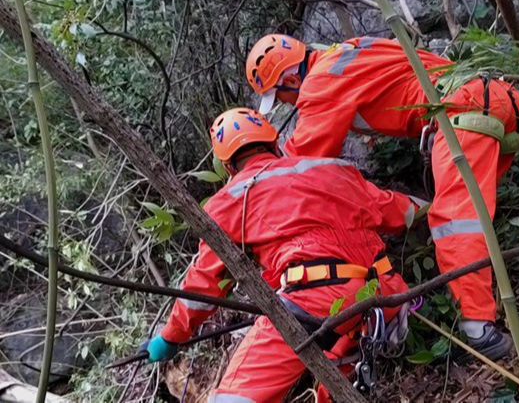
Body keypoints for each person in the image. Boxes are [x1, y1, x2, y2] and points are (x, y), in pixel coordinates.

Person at [245, 34, 519, 360]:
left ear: (292, 79)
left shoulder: (321, 81)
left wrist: (254, 191)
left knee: (456, 222)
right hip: (501, 100)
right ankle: (490, 306)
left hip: (463, 109)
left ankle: (480, 331)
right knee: (474, 219)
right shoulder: (351, 49)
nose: (288, 104)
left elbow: (301, 169)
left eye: (281, 97)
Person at [139, 108, 422, 403]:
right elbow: (400, 210)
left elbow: (204, 285)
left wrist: (170, 338)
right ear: (275, 144)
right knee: (335, 374)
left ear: (228, 166)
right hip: (383, 294)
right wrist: (439, 207)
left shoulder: (231, 200)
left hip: (315, 299)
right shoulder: (332, 169)